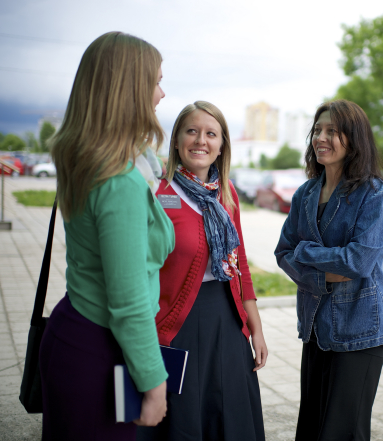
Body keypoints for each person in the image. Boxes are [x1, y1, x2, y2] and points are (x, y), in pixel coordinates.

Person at [40, 32, 172, 440]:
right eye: (155, 82)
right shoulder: (120, 181)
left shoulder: (90, 160)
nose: (162, 94)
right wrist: (154, 383)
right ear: (128, 89)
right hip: (99, 352)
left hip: (76, 332)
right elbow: (129, 301)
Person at [137, 101, 267, 441]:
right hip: (174, 325)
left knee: (229, 418)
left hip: (226, 321)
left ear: (222, 145)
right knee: (181, 423)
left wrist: (256, 329)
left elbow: (240, 267)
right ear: (177, 139)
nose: (201, 141)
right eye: (192, 131)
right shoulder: (158, 192)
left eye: (211, 134)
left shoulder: (227, 194)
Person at [275, 99, 383, 441]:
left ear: (354, 139)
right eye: (317, 130)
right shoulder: (305, 194)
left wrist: (307, 252)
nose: (321, 138)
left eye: (332, 131)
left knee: (343, 433)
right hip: (315, 328)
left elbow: (358, 263)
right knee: (311, 429)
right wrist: (323, 276)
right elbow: (283, 252)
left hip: (359, 331)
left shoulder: (372, 192)